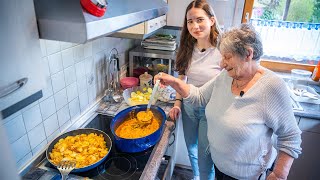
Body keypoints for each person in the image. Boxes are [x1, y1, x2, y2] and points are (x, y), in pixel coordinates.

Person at [156, 24, 302, 180]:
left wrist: (279, 175)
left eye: (227, 57)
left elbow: (290, 137)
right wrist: (174, 82)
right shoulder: (226, 76)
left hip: (246, 176)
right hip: (220, 168)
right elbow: (199, 97)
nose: (221, 64)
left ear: (248, 54)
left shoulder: (271, 87)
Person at [169, 0, 222, 179]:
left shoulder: (223, 49)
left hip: (212, 109)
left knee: (205, 157)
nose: (194, 25)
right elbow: (182, 78)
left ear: (212, 20)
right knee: (191, 149)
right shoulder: (186, 47)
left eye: (200, 19)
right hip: (189, 107)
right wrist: (177, 103)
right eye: (190, 21)